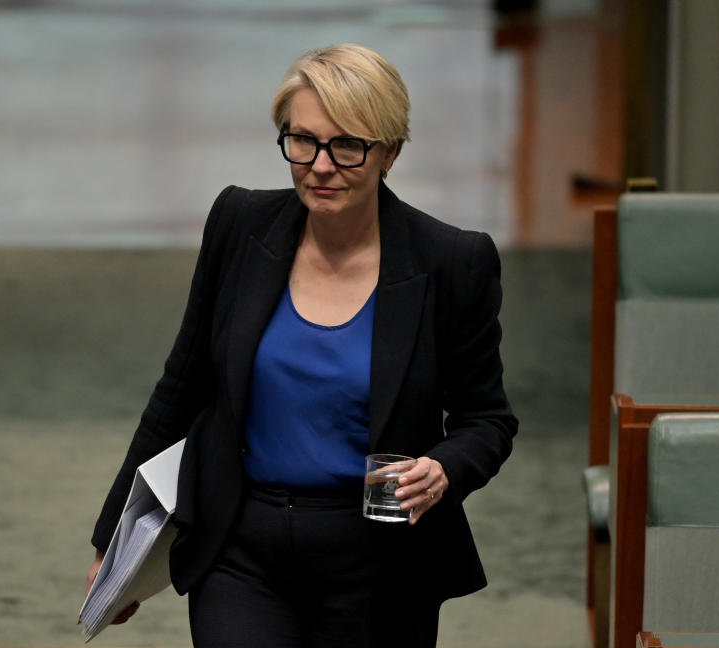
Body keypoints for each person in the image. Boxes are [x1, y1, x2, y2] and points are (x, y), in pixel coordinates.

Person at [86, 43, 518, 647]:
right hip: (241, 547)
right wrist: (116, 544)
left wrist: (444, 468)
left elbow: (486, 419)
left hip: (379, 560)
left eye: (348, 145)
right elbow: (181, 386)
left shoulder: (452, 261)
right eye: (302, 141)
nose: (320, 165)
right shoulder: (240, 225)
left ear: (390, 151)